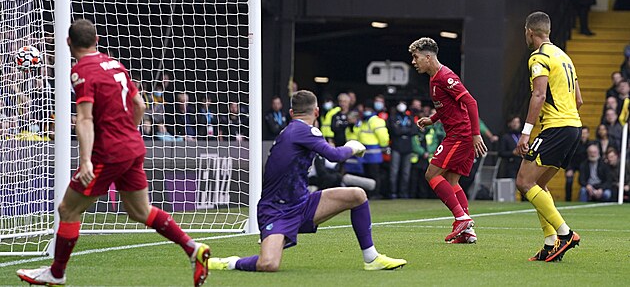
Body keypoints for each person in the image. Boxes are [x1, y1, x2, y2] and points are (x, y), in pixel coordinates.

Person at [16, 19, 210, 286]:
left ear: (69, 42)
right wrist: (126, 132)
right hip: (132, 146)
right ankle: (192, 248)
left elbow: (84, 119)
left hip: (108, 153)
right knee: (139, 210)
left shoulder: (82, 71)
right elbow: (140, 105)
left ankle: (57, 273)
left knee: (68, 209)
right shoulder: (115, 64)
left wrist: (85, 160)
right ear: (97, 40)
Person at [207, 90, 406, 272]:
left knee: (357, 195)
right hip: (277, 210)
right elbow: (334, 155)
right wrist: (353, 147)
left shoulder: (293, 130)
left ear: (292, 112)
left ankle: (371, 258)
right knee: (268, 264)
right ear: (317, 112)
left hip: (302, 203)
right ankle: (230, 262)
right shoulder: (302, 131)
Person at [515, 11, 582, 263]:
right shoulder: (565, 57)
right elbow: (578, 99)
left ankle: (564, 234)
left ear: (529, 31)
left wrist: (526, 132)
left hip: (556, 128)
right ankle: (549, 243)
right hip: (573, 127)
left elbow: (539, 95)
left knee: (523, 181)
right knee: (539, 184)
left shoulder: (539, 57)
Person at [410, 37, 487, 244]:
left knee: (432, 174)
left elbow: (470, 102)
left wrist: (475, 134)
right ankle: (468, 232)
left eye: (416, 57)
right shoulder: (435, 78)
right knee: (452, 181)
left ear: (428, 57)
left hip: (460, 135)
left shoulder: (445, 76)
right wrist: (433, 119)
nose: (414, 61)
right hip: (458, 134)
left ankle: (461, 218)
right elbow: (449, 106)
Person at [387, 101, 417, 199]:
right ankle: (393, 192)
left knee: (406, 172)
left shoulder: (409, 118)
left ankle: (403, 193)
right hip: (396, 147)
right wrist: (405, 131)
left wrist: (402, 130)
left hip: (407, 148)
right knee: (394, 172)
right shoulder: (393, 118)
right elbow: (395, 131)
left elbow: (414, 130)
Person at [565, 126, 591, 201]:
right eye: (582, 133)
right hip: (573, 165)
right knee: (569, 180)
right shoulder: (573, 143)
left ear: (588, 134)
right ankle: (568, 199)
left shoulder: (590, 144)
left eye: (585, 133)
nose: (583, 135)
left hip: (586, 166)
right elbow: (568, 156)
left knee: (586, 180)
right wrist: (569, 169)